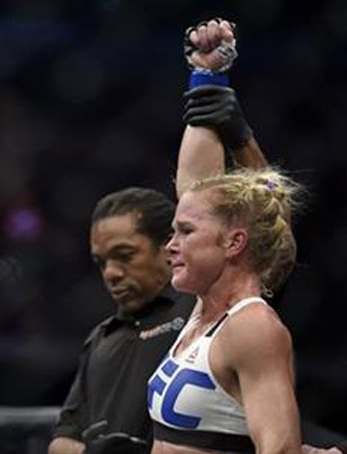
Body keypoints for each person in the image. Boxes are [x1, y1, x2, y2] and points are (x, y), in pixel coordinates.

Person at [48, 18, 267, 454]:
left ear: (168, 246)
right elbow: (63, 437)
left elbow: (231, 214)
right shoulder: (101, 338)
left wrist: (219, 103)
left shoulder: (208, 303)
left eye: (124, 255)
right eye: (100, 262)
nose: (111, 273)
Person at [148, 167, 303, 454]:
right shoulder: (203, 312)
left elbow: (280, 449)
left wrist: (243, 139)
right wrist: (202, 124)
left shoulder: (253, 326)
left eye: (186, 231)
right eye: (174, 232)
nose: (170, 245)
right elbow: (193, 177)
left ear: (234, 242)